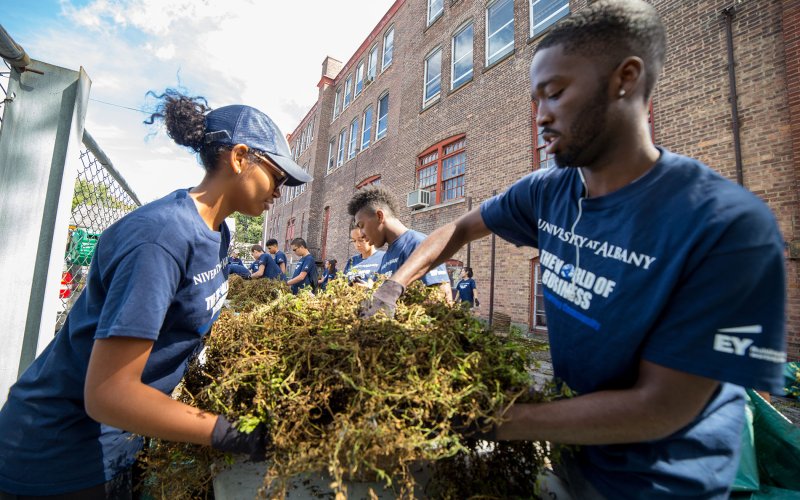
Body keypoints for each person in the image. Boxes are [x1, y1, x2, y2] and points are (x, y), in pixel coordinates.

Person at [360, 1, 787, 498]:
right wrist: (393, 287)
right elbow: (454, 228)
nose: (540, 116)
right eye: (535, 100)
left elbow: (661, 406)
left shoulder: (725, 227)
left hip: (662, 485)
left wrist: (492, 419)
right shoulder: (549, 191)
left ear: (624, 79)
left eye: (555, 94)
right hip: (571, 456)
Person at [0, 91, 312, 498]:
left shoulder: (218, 235)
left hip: (118, 445)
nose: (281, 189)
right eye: (277, 174)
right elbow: (109, 394)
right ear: (239, 158)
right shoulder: (162, 237)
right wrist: (233, 434)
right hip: (57, 457)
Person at [347, 187, 451, 303]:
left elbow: (444, 303)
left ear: (379, 216)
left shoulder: (419, 245)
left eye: (361, 226)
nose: (362, 234)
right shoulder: (387, 255)